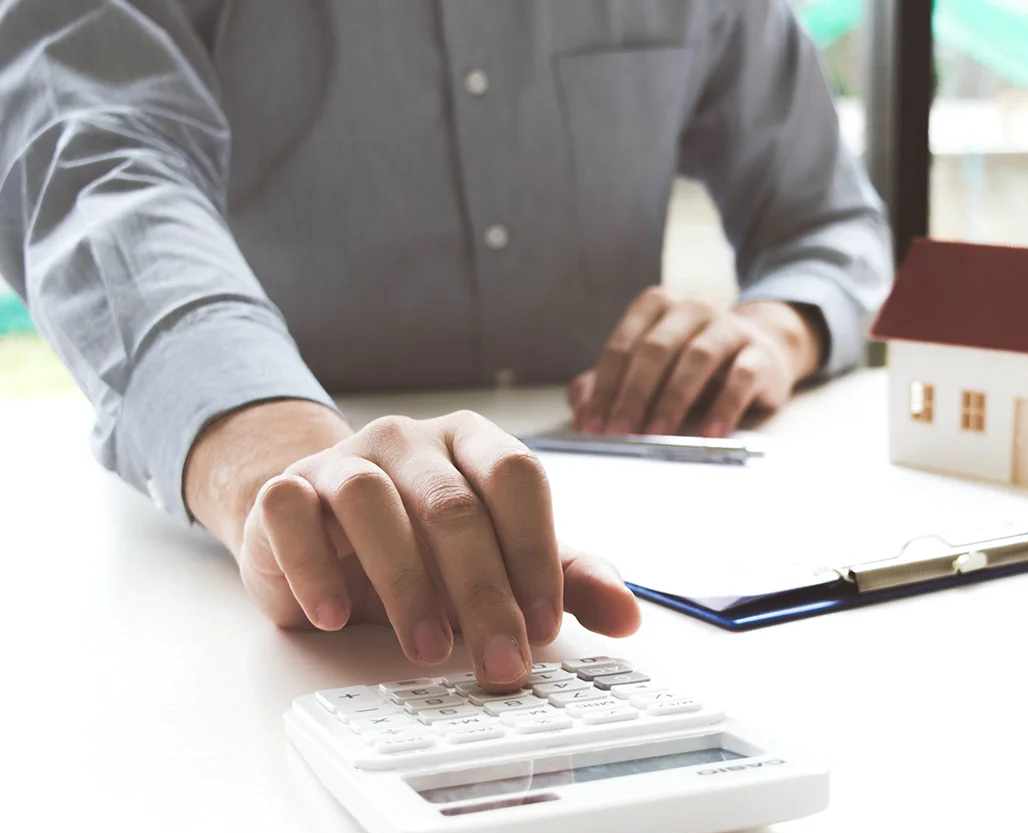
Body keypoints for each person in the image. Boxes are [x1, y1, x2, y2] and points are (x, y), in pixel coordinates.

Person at [0, 0, 893, 689]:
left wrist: (776, 329)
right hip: (254, 587)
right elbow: (91, 157)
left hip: (642, 555)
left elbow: (829, 222)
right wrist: (275, 454)